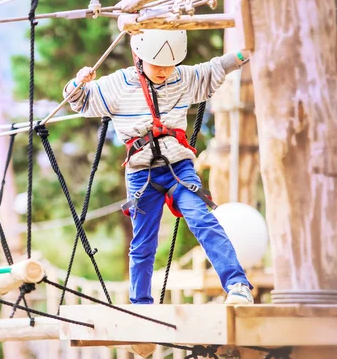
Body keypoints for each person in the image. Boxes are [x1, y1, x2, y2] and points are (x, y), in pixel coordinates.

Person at [62, 29, 254, 305]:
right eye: (157, 64)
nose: (164, 70)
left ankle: (237, 285)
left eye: (169, 64)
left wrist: (244, 53)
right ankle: (141, 303)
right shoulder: (119, 84)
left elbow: (213, 69)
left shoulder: (182, 78)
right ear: (139, 55)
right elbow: (79, 101)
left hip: (179, 168)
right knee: (143, 243)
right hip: (142, 173)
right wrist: (77, 84)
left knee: (203, 220)